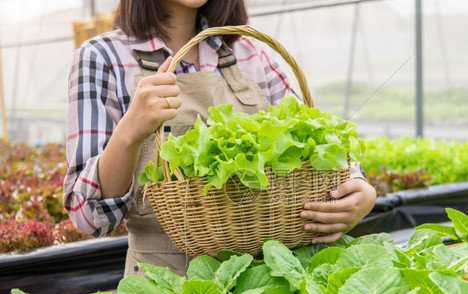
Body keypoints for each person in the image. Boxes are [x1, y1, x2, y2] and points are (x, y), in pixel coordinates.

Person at [63, 0, 377, 277]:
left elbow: (315, 137)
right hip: (166, 293)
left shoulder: (250, 53)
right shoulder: (101, 58)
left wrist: (358, 192)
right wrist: (129, 131)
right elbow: (90, 218)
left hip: (267, 284)